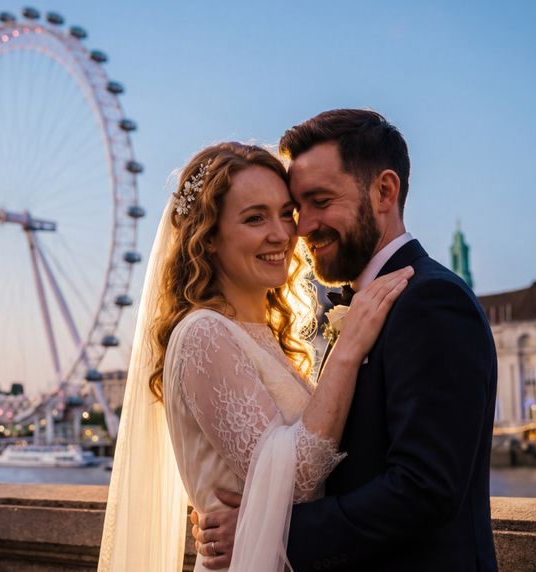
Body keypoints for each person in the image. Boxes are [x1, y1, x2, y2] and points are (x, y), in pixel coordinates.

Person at [193, 110, 499, 570]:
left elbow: (425, 489)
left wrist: (265, 531)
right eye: (298, 209)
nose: (301, 227)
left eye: (320, 201)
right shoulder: (366, 308)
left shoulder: (432, 301)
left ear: (384, 192)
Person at [98, 141, 413, 571]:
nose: (283, 234)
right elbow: (299, 481)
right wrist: (348, 348)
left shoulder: (263, 336)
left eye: (287, 213)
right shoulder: (203, 334)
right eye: (254, 218)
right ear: (207, 238)